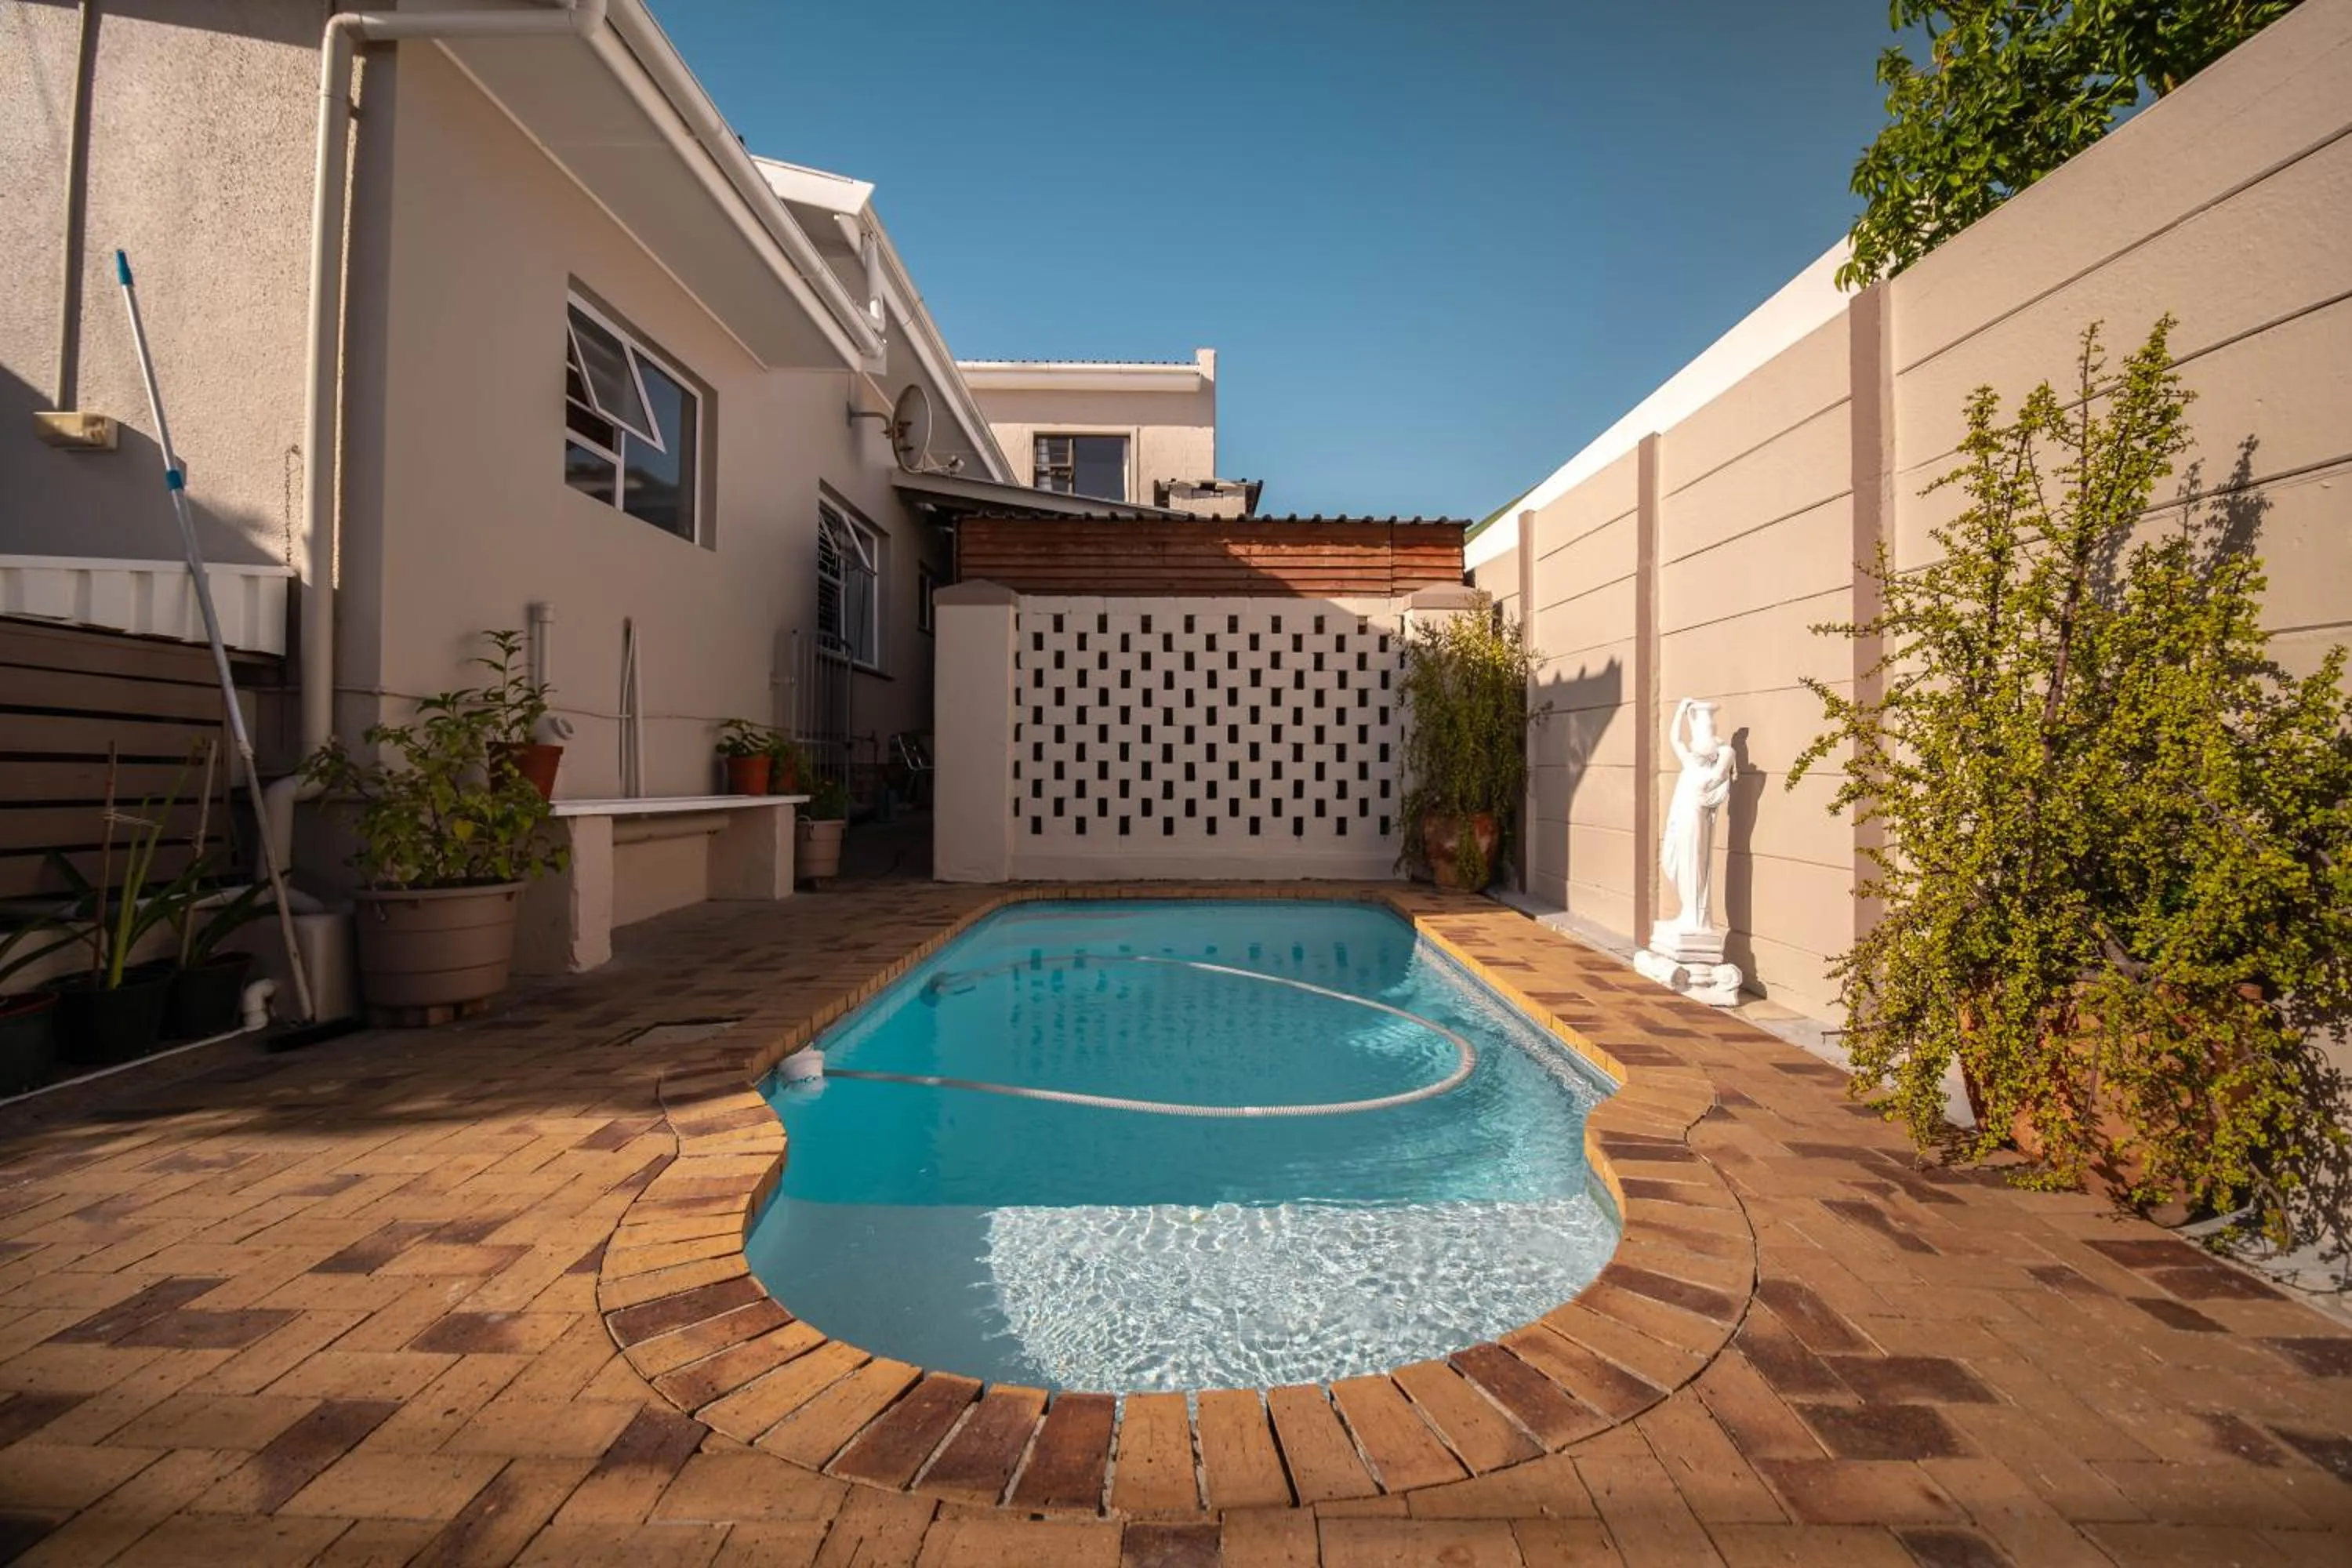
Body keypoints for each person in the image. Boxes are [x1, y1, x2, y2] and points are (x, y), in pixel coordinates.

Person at [1659, 698, 1734, 935]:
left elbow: (1725, 764)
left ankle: (1695, 917)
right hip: (1680, 821)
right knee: (1674, 861)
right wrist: (1681, 711)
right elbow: (1675, 739)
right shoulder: (1690, 766)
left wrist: (1725, 752)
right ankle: (1687, 912)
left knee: (1694, 865)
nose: (1693, 751)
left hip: (1695, 823)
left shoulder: (1708, 777)